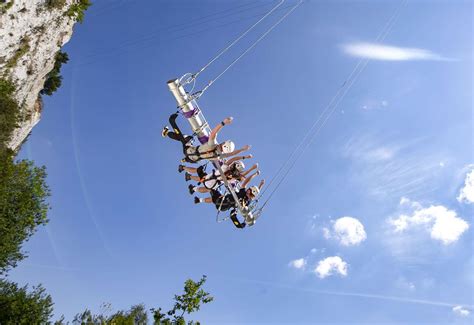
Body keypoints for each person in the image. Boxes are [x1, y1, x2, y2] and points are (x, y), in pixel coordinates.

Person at [162, 113, 250, 163]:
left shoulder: (213, 145)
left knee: (186, 138)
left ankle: (167, 132)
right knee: (188, 142)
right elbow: (232, 155)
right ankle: (185, 159)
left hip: (189, 150)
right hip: (192, 158)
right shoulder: (218, 157)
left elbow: (213, 133)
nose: (222, 142)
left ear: (224, 144)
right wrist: (242, 150)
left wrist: (223, 123)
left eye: (223, 143)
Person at [194, 171, 265, 212]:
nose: (248, 190)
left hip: (222, 201)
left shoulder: (243, 193)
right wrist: (260, 185)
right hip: (223, 207)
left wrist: (255, 174)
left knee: (211, 187)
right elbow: (255, 195)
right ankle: (199, 200)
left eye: (249, 190)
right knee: (214, 197)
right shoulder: (248, 202)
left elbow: (247, 181)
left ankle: (195, 189)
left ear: (251, 192)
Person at [187, 161, 259, 195]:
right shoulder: (233, 178)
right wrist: (252, 170)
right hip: (214, 185)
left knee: (201, 174)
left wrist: (244, 157)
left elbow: (233, 158)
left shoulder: (226, 167)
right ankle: (194, 188)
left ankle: (189, 177)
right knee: (207, 188)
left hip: (210, 178)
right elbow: (243, 176)